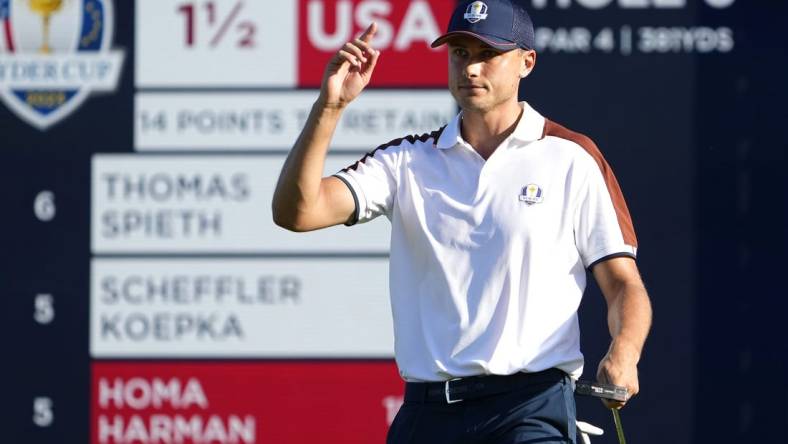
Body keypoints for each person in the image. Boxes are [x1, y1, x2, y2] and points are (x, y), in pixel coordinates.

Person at [272, 0, 652, 442]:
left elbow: (624, 283)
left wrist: (624, 351)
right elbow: (298, 213)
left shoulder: (571, 157)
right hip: (428, 411)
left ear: (526, 63)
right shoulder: (407, 161)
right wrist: (330, 108)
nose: (471, 68)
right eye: (460, 53)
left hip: (530, 406)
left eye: (488, 54)